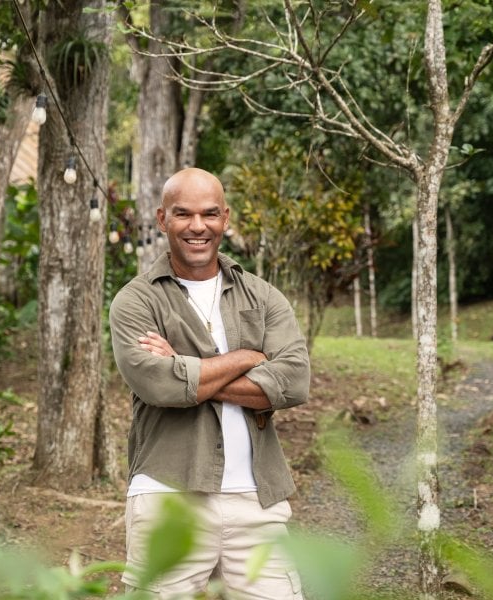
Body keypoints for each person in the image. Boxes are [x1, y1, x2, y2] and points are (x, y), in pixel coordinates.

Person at [109, 167, 310, 599]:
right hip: (168, 494)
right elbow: (157, 386)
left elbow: (293, 380)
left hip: (258, 498)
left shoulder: (263, 296)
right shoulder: (136, 300)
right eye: (183, 214)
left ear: (226, 218)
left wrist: (184, 367)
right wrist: (247, 360)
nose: (197, 226)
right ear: (162, 219)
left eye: (209, 214)